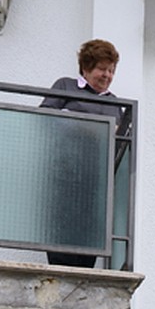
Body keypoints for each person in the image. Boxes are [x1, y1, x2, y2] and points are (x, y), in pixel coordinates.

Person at [40, 39, 123, 268]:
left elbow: (118, 140)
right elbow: (45, 117)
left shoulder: (115, 103)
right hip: (63, 177)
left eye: (111, 70)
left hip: (94, 184)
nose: (107, 75)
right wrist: (92, 128)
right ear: (86, 68)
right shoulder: (66, 86)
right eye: (101, 69)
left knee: (88, 248)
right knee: (61, 242)